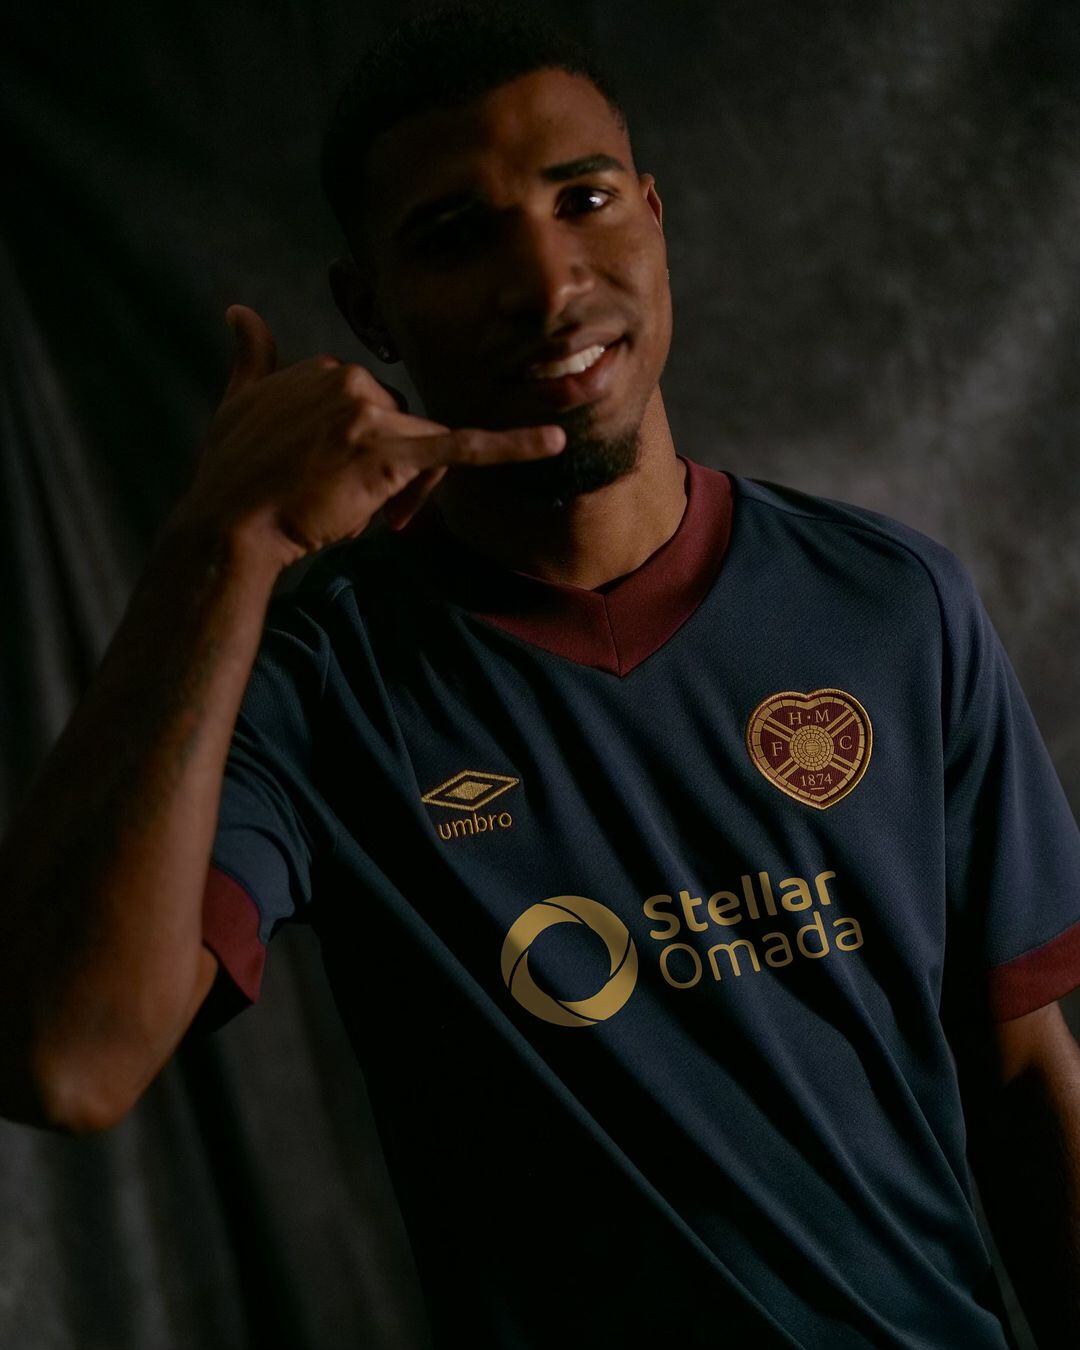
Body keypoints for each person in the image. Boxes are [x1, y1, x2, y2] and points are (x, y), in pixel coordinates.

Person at [1, 3, 1078, 1346]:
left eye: (585, 198)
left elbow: (1029, 1075)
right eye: (458, 235)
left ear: (655, 215)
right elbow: (62, 1055)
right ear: (368, 309)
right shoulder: (320, 675)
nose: (549, 278)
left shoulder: (894, 603)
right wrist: (218, 546)